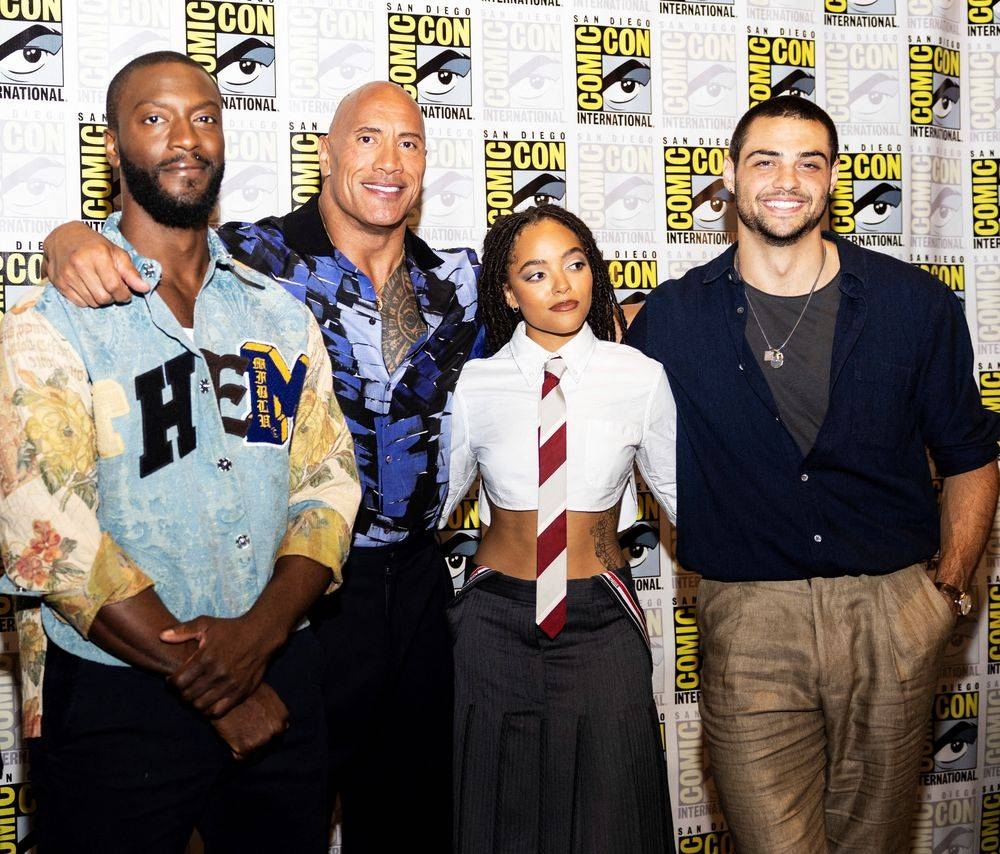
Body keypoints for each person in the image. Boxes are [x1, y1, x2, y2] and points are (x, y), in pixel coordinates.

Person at [42, 80, 478, 852]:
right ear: (325, 153)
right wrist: (67, 236)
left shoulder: (458, 284)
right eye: (368, 138)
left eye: (409, 143)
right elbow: (157, 228)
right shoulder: (258, 259)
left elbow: (566, 306)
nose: (389, 161)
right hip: (301, 597)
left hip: (410, 585)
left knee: (407, 812)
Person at [0, 51, 361, 852]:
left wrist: (261, 639)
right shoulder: (51, 316)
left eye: (204, 116)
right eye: (154, 118)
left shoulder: (278, 314)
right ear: (114, 147)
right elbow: (43, 528)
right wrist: (218, 689)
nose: (185, 138)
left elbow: (327, 487)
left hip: (281, 673)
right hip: (117, 693)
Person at [626, 96, 1000, 853]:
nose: (786, 180)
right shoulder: (669, 320)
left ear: (833, 179)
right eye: (765, 160)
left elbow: (970, 453)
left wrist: (947, 594)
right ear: (728, 176)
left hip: (893, 610)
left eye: (809, 162)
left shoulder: (915, 305)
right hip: (750, 620)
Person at [441, 204, 678, 854]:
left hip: (601, 621)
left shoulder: (640, 377)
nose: (563, 284)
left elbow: (689, 500)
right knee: (496, 820)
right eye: (537, 273)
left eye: (575, 264)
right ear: (508, 292)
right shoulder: (477, 385)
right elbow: (429, 514)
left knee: (613, 823)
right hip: (492, 623)